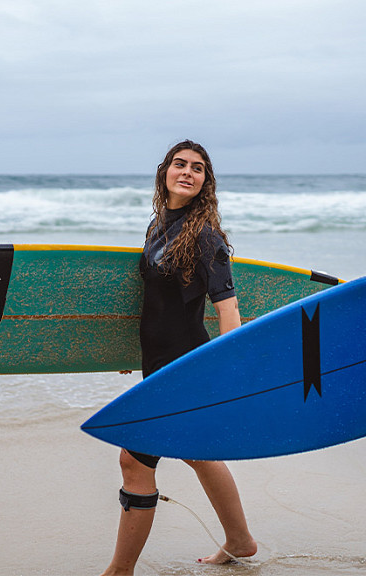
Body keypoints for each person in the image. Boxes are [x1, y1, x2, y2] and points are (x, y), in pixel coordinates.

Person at [101, 140, 257, 575]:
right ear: (165, 171)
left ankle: (120, 570)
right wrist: (127, 349)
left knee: (133, 460)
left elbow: (228, 309)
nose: (188, 172)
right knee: (198, 452)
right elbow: (154, 301)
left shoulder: (205, 236)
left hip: (185, 367)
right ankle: (241, 541)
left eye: (198, 168)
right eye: (180, 164)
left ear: (206, 182)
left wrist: (231, 373)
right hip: (158, 364)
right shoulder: (159, 226)